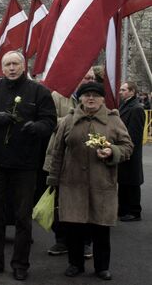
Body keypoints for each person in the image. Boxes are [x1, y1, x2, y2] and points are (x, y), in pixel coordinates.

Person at [0, 51, 56, 281]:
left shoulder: (38, 91)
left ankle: (20, 263)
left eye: (15, 64)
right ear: (2, 68)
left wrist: (37, 127)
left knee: (23, 216)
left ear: (23, 66)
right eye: (7, 64)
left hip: (25, 164)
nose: (11, 68)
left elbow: (50, 121)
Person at [47, 82, 133, 281]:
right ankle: (75, 264)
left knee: (101, 228)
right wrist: (53, 178)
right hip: (71, 183)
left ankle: (102, 267)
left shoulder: (113, 120)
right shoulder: (68, 120)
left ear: (103, 99)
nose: (91, 99)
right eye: (86, 96)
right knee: (74, 227)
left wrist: (113, 151)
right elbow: (57, 151)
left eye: (95, 95)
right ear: (81, 99)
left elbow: (128, 145)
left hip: (102, 184)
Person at [44, 68, 96, 257]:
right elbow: (49, 121)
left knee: (88, 203)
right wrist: (74, 119)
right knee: (60, 203)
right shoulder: (58, 96)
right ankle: (61, 241)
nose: (89, 80)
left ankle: (86, 242)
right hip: (62, 159)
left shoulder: (97, 99)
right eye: (85, 77)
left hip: (89, 161)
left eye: (92, 77)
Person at [118, 81, 145, 222]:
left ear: (132, 91)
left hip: (131, 151)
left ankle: (134, 212)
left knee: (132, 182)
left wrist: (127, 149)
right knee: (123, 181)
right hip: (124, 149)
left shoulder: (136, 108)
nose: (120, 92)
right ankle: (123, 209)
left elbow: (134, 134)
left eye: (123, 89)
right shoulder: (125, 105)